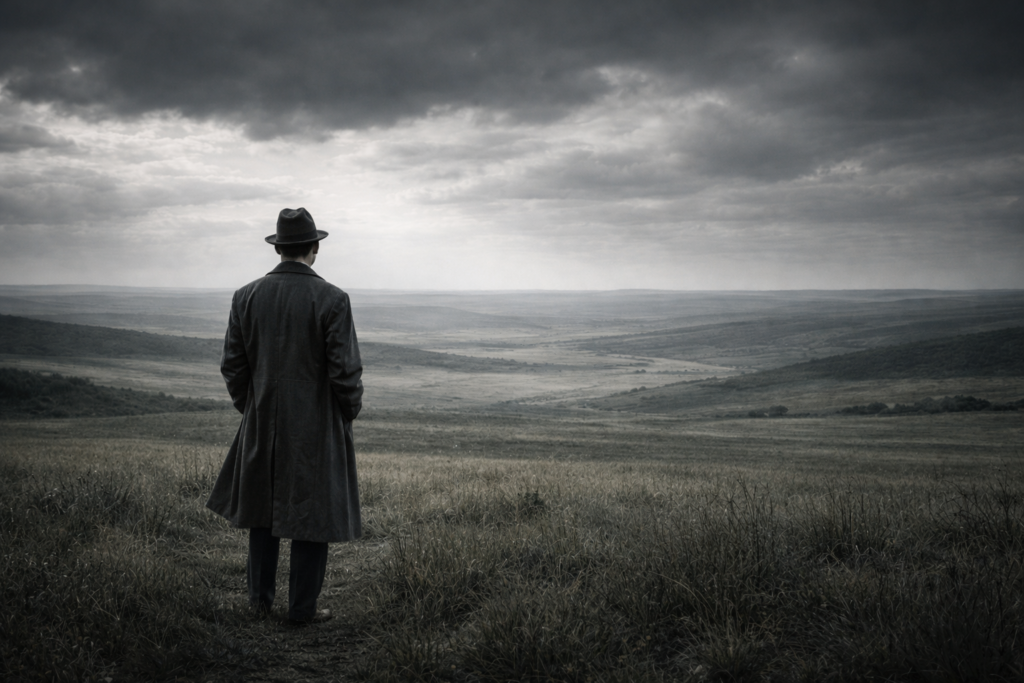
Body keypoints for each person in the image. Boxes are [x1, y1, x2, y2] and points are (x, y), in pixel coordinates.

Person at [206, 207, 363, 625]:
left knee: (262, 511)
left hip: (262, 418)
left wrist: (254, 407)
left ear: (279, 249)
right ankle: (301, 611)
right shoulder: (333, 299)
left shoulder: (246, 296)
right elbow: (345, 370)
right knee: (312, 515)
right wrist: (346, 414)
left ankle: (259, 604)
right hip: (316, 423)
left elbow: (232, 367)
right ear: (314, 248)